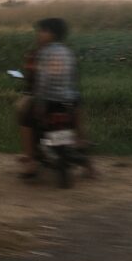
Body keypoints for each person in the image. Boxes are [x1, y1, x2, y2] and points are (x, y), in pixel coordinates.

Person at [17, 17, 94, 177]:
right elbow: (73, 78)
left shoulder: (41, 53)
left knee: (25, 119)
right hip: (70, 101)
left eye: (42, 31)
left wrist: (38, 103)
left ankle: (30, 160)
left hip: (48, 101)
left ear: (51, 34)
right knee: (78, 115)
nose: (38, 34)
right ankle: (86, 155)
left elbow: (40, 81)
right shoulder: (68, 52)